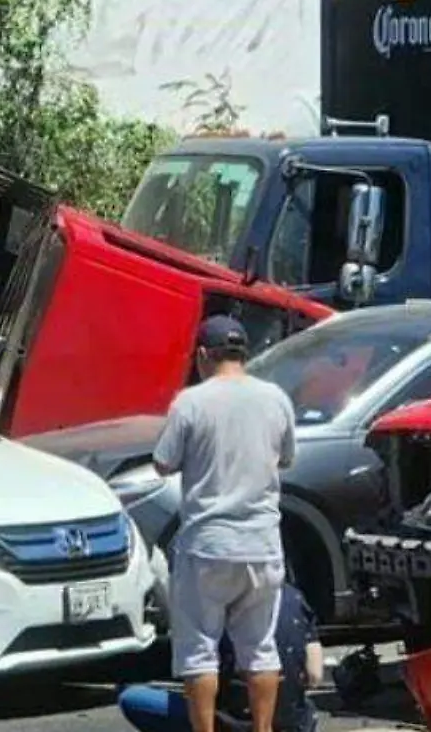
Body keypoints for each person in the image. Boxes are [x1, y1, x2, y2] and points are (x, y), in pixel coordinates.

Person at [151, 314, 297, 732]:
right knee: (259, 649)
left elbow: (163, 462)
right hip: (262, 544)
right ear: (243, 354)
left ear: (202, 355)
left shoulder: (191, 402)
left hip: (207, 546)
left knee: (199, 651)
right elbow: (287, 458)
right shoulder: (275, 398)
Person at [118, 581, 324, 732]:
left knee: (132, 697)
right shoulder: (293, 597)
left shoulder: (213, 606)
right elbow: (315, 675)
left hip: (233, 722)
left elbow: (197, 674)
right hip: (294, 723)